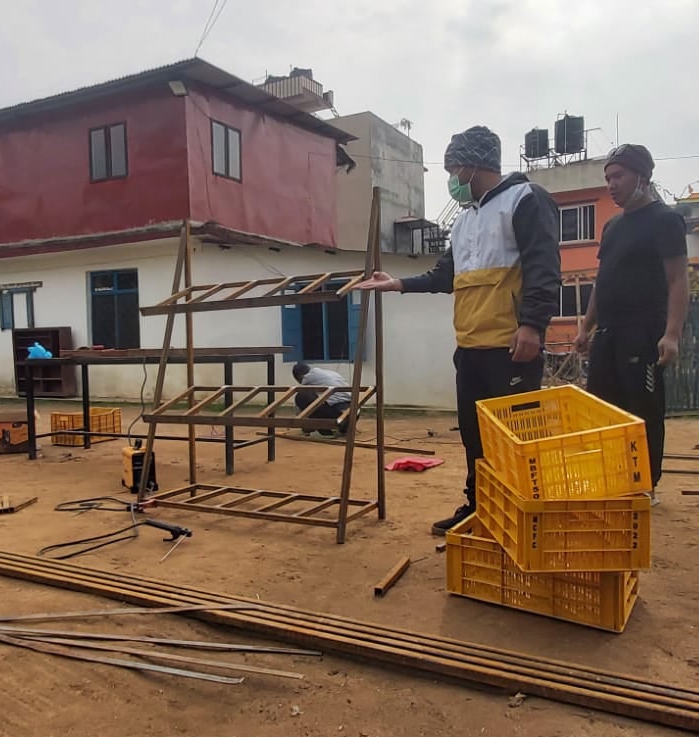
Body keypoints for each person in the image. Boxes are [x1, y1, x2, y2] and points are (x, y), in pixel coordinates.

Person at [356, 125, 560, 535]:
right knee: (475, 436)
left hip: (510, 346)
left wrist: (532, 326)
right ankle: (479, 506)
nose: (452, 178)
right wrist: (397, 283)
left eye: (453, 170)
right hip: (470, 345)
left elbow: (543, 266)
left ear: (472, 165)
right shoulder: (465, 221)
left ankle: (520, 513)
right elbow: (445, 275)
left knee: (513, 436)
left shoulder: (525, 199)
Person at [573, 144, 688, 506]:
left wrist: (671, 335)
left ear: (642, 176)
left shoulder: (665, 220)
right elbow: (602, 279)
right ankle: (612, 478)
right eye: (608, 177)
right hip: (607, 332)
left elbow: (678, 280)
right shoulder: (612, 226)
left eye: (618, 176)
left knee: (642, 409)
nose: (611, 184)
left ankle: (645, 484)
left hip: (643, 333)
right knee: (603, 410)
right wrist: (585, 327)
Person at [292, 362, 353, 436]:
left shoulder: (307, 377)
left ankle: (324, 432)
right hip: (353, 413)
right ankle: (343, 427)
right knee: (318, 397)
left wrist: (302, 422)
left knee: (301, 396)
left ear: (299, 377)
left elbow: (300, 407)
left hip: (339, 413)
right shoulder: (328, 373)